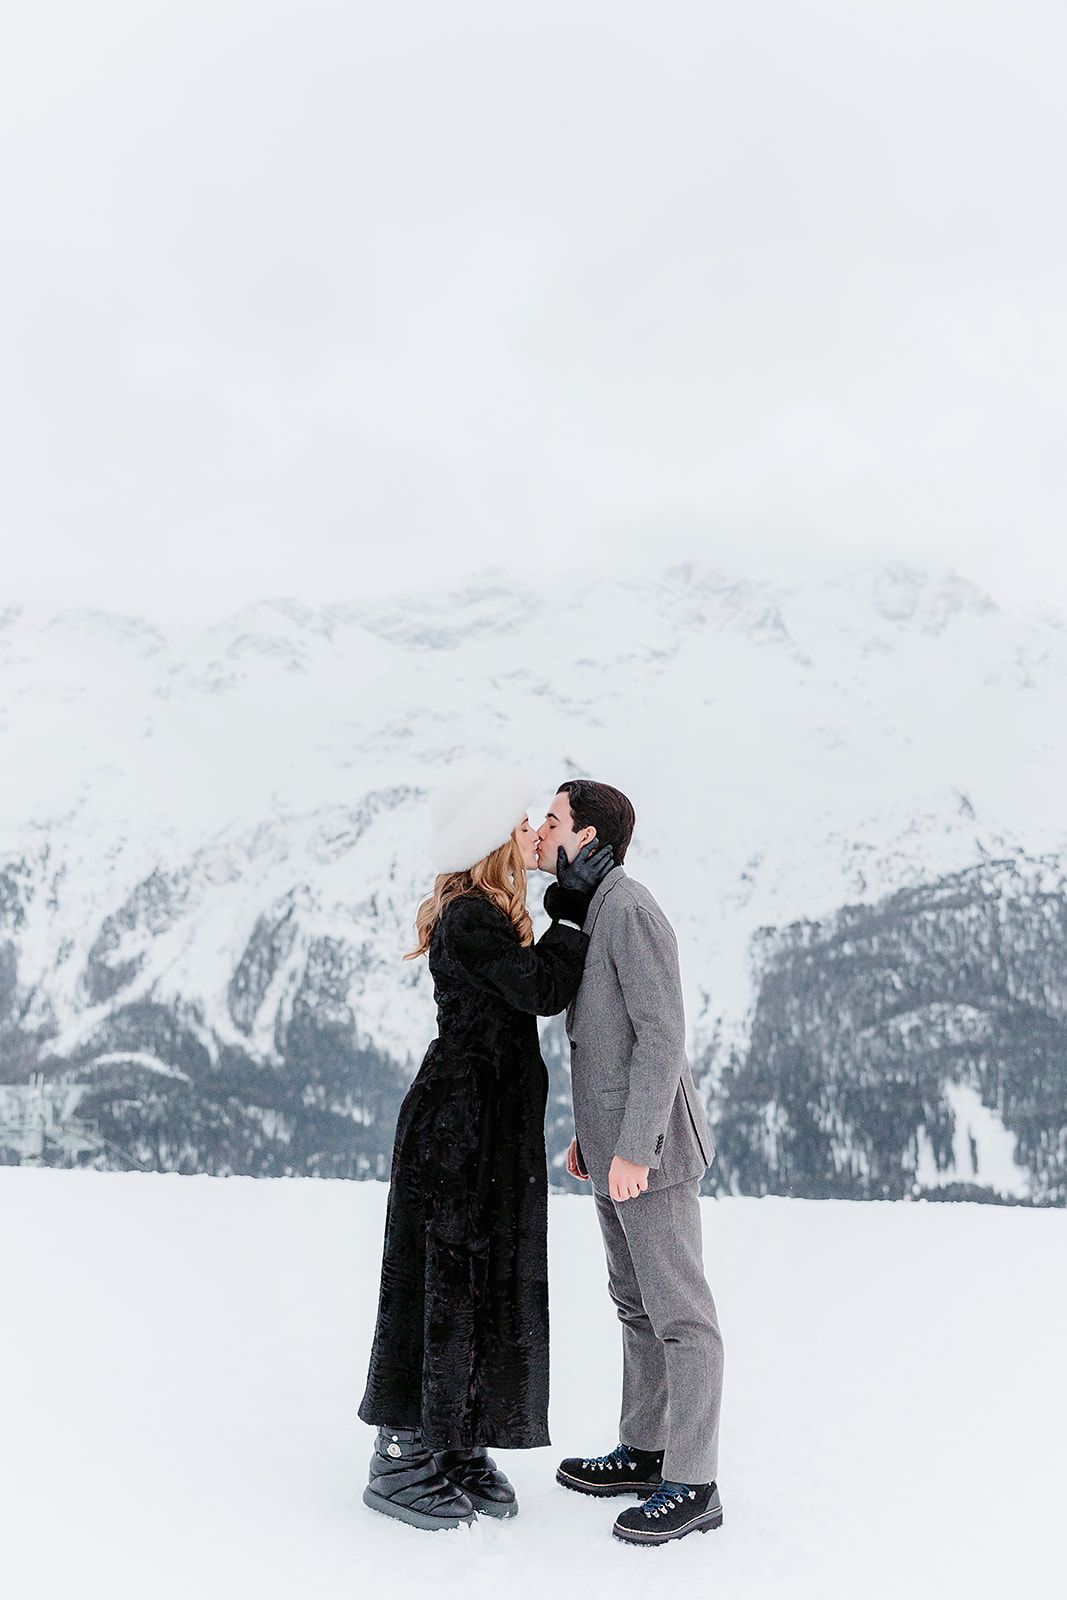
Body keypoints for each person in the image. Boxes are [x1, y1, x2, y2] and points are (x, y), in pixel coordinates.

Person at [357, 768, 615, 1531]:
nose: (538, 831)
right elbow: (541, 989)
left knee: (482, 1277)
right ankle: (400, 1453)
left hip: (488, 1129)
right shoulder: (471, 915)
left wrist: (559, 902)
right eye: (526, 823)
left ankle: (456, 1437)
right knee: (441, 1275)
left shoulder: (486, 912)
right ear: (498, 841)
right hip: (456, 1130)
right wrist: (571, 902)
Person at [536, 779, 726, 1547]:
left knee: (682, 1317)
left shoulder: (632, 910)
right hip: (616, 1147)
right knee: (634, 1305)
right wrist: (595, 1135)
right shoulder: (594, 906)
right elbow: (605, 1041)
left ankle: (693, 1482)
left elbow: (660, 1039)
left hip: (651, 1156)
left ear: (584, 837)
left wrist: (636, 1148)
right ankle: (645, 1451)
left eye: (551, 819)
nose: (540, 830)